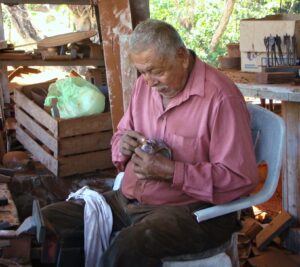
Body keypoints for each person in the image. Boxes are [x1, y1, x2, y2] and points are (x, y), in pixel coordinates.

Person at [42, 19, 259, 267]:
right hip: (128, 201)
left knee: (124, 250)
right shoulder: (144, 87)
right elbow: (122, 132)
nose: (149, 81)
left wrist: (171, 171)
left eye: (156, 71)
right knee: (52, 221)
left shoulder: (221, 98)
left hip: (192, 211)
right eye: (142, 71)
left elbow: (240, 178)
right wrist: (122, 145)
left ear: (182, 57)